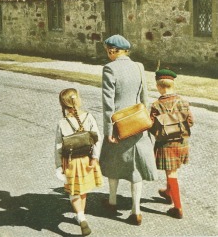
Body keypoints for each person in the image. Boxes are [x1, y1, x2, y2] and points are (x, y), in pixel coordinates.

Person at [99, 34, 158, 226]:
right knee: (136, 167)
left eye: (108, 50)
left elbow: (108, 104)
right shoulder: (139, 67)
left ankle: (112, 200)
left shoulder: (109, 68)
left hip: (118, 125)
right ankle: (136, 210)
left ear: (113, 50)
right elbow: (145, 98)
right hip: (138, 123)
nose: (108, 54)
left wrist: (109, 130)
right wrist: (146, 122)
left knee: (114, 161)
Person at [55, 88, 102, 236]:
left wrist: (58, 166)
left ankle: (81, 217)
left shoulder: (62, 122)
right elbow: (97, 140)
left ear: (63, 105)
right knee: (83, 189)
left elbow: (58, 147)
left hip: (70, 161)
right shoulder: (89, 117)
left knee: (74, 190)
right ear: (78, 100)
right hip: (86, 159)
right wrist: (95, 158)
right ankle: (81, 215)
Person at [150, 68, 194, 219]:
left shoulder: (156, 105)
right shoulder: (183, 101)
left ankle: (178, 208)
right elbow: (190, 122)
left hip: (165, 144)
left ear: (159, 86)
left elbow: (152, 126)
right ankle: (168, 192)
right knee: (172, 170)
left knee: (171, 172)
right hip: (181, 142)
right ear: (172, 84)